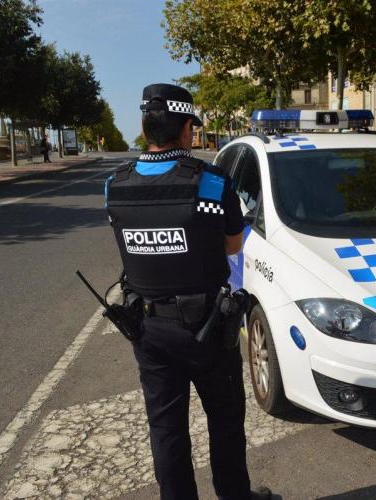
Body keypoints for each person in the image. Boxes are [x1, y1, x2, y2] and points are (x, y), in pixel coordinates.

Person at [104, 83, 272, 500]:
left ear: (146, 128)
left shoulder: (115, 185)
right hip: (207, 328)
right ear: (185, 130)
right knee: (225, 421)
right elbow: (233, 245)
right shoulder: (211, 182)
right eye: (192, 127)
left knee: (166, 429)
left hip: (148, 329)